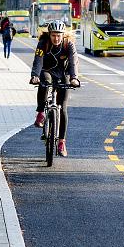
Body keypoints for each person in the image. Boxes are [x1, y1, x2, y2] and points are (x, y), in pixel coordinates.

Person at [29, 20, 80, 157]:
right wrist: (35, 76)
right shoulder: (43, 43)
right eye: (53, 35)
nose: (56, 38)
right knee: (44, 82)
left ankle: (62, 142)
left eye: (59, 35)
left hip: (63, 74)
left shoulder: (68, 44)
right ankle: (40, 112)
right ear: (49, 34)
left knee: (63, 108)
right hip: (47, 70)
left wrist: (74, 78)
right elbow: (38, 60)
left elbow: (73, 61)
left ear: (63, 35)